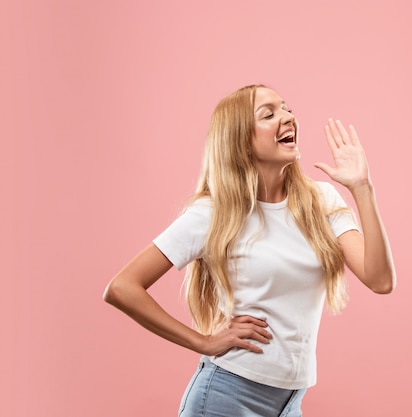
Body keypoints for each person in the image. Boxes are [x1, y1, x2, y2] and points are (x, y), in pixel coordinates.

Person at [103, 84, 396, 416]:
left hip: (289, 401)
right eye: (269, 114)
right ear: (242, 140)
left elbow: (380, 280)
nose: (287, 117)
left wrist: (362, 187)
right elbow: (122, 288)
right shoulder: (214, 213)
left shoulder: (321, 200)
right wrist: (203, 342)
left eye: (286, 108)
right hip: (227, 396)